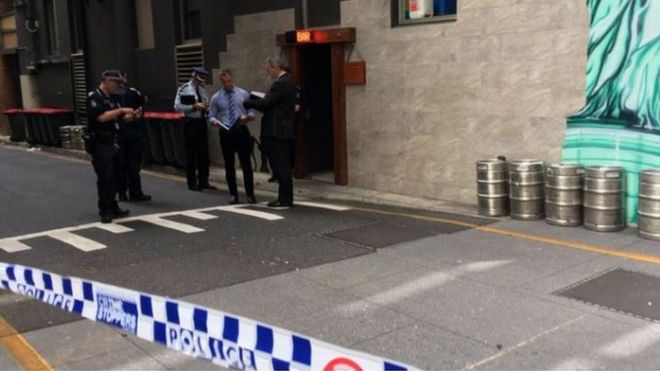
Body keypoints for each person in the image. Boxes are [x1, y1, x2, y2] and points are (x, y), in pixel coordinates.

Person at [243, 57, 297, 208]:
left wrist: (249, 102)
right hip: (285, 129)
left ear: (276, 67)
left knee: (280, 166)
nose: (268, 72)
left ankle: (284, 199)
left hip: (277, 131)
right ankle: (286, 198)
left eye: (268, 69)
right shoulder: (290, 82)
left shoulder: (280, 84)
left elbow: (267, 103)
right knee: (283, 165)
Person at [87, 70, 136, 223]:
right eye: (116, 83)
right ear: (107, 81)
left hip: (115, 140)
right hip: (101, 143)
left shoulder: (115, 99)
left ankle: (114, 205)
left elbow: (121, 119)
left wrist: (132, 116)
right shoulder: (94, 97)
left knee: (117, 175)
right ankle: (105, 209)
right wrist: (121, 110)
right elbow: (101, 117)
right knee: (106, 177)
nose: (118, 87)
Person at [208, 70, 258, 204]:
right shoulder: (216, 97)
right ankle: (233, 194)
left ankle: (250, 194)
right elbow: (211, 114)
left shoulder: (243, 94)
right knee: (229, 164)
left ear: (233, 79)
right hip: (226, 131)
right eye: (224, 82)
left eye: (229, 81)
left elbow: (251, 109)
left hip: (241, 129)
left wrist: (249, 117)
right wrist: (213, 121)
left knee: (246, 163)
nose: (227, 84)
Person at [174, 67, 216, 191]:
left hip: (201, 122)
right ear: (193, 76)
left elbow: (206, 104)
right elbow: (177, 106)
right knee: (191, 153)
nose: (200, 82)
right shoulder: (183, 89)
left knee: (203, 153)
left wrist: (206, 108)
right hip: (190, 122)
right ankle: (192, 182)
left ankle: (204, 180)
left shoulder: (202, 91)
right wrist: (193, 106)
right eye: (199, 79)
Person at [115, 74, 151, 202]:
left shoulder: (112, 95)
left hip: (119, 132)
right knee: (134, 163)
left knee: (121, 163)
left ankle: (122, 193)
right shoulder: (132, 92)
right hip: (133, 130)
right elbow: (143, 99)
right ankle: (135, 192)